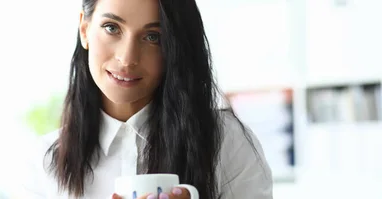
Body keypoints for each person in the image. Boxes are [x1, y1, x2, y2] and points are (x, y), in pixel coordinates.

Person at [17, 0, 273, 198]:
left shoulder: (226, 143)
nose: (127, 58)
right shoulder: (43, 163)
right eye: (111, 28)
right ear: (84, 29)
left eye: (153, 37)